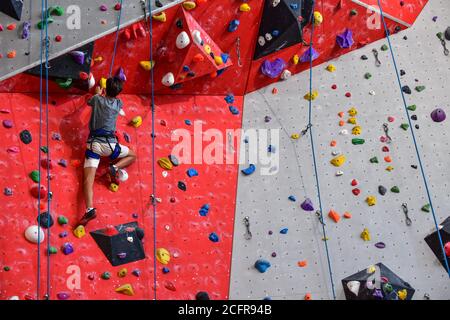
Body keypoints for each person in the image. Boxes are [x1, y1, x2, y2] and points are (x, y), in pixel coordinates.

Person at [78, 77, 136, 226]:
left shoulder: (96, 99)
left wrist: (98, 92)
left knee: (88, 181)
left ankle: (90, 208)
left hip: (94, 145)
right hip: (110, 145)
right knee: (132, 154)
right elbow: (111, 100)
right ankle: (115, 167)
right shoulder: (118, 103)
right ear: (118, 92)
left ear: (106, 88)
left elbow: (89, 101)